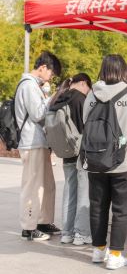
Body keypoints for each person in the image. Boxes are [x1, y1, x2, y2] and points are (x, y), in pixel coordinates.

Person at [83, 55, 127, 270]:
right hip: (124, 161)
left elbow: (85, 121)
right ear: (124, 70)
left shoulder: (92, 94)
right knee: (122, 209)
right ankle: (115, 255)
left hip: (95, 159)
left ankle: (98, 250)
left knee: (97, 206)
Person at [15, 51, 62, 241]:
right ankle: (28, 227)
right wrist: (53, 97)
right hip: (31, 142)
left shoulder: (35, 85)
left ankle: (43, 221)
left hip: (39, 141)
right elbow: (37, 113)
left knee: (46, 185)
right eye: (51, 73)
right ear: (43, 67)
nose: (51, 77)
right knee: (33, 186)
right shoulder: (28, 85)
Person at [49, 73, 93, 245]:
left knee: (69, 191)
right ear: (83, 83)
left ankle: (67, 233)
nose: (88, 92)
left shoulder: (58, 97)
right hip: (80, 151)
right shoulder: (80, 99)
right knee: (84, 192)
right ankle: (81, 234)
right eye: (88, 88)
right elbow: (86, 126)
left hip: (65, 152)